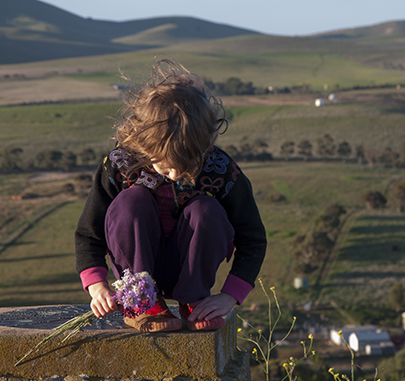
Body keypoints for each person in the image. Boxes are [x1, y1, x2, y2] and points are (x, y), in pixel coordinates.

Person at [74, 59, 267, 332]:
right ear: (143, 142)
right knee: (132, 201)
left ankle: (192, 303)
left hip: (191, 272)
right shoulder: (120, 165)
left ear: (206, 144)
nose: (176, 174)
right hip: (136, 269)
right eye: (165, 165)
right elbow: (88, 232)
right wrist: (97, 286)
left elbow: (253, 238)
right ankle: (142, 303)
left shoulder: (222, 170)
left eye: (188, 164)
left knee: (206, 210)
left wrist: (229, 297)